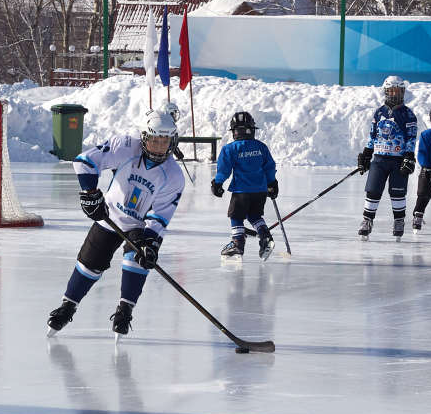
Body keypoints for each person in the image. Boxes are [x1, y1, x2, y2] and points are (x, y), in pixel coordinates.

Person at [48, 110, 186, 337]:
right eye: (154, 140)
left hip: (137, 227)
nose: (160, 146)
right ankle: (67, 306)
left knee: (138, 258)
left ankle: (125, 310)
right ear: (144, 137)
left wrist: (151, 243)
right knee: (89, 264)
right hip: (108, 216)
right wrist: (90, 192)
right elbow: (84, 161)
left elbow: (160, 216)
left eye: (165, 141)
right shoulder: (125, 146)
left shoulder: (173, 176)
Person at [355, 75, 418, 238]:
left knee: (397, 192)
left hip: (398, 160)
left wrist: (409, 156)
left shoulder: (408, 114)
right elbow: (372, 135)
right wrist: (366, 154)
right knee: (373, 190)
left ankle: (399, 220)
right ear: (386, 92)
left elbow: (411, 138)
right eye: (392, 90)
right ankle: (367, 220)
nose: (395, 94)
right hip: (380, 159)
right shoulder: (379, 112)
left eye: (398, 90)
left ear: (403, 92)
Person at [212, 111, 278, 259]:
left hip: (242, 191)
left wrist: (217, 183)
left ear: (234, 132)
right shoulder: (261, 147)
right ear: (252, 129)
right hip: (260, 191)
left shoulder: (230, 149)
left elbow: (224, 170)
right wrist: (272, 183)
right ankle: (265, 236)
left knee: (236, 215)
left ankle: (237, 243)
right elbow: (269, 167)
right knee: (254, 215)